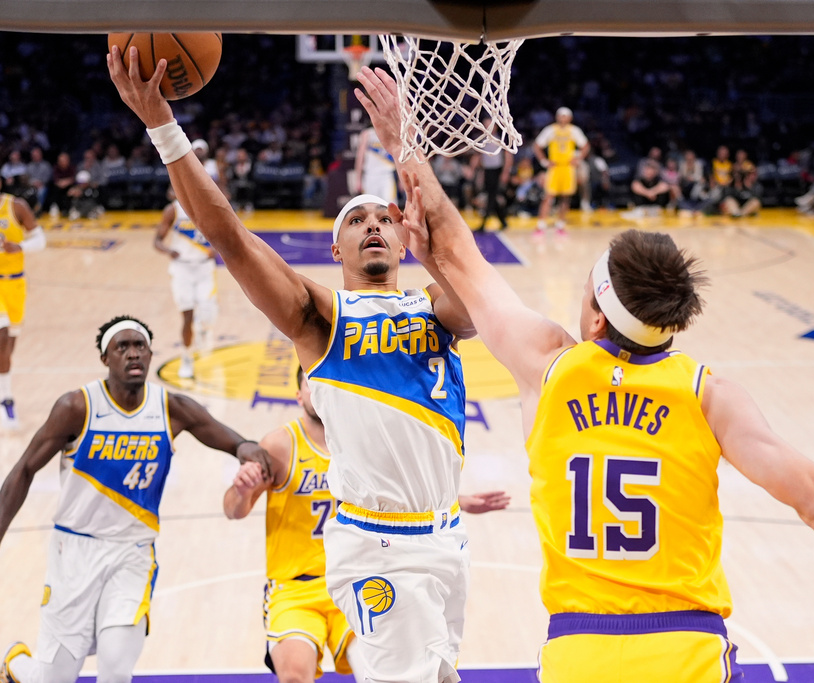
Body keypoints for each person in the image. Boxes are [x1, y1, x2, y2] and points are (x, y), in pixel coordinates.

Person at [354, 66, 814, 682]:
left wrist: (404, 144)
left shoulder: (550, 366)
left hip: (578, 651)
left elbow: (450, 246)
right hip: (685, 649)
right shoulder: (709, 394)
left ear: (599, 320)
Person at [108, 48, 477, 683]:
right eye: (354, 219)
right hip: (381, 547)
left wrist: (405, 154)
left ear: (401, 237)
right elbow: (227, 234)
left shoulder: (436, 310)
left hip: (446, 540)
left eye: (384, 219)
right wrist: (163, 128)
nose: (372, 226)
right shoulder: (321, 318)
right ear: (334, 247)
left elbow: (476, 298)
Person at [0, 315, 271, 683]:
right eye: (122, 347)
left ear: (150, 353)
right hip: (73, 553)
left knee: (115, 670)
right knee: (53, 678)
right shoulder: (76, 407)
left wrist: (248, 449)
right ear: (105, 358)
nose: (133, 354)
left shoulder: (170, 407)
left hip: (132, 552)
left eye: (139, 345)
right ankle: (16, 663)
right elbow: (24, 470)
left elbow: (225, 436)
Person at [224, 367, 510, 683]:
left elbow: (396, 491)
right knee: (294, 676)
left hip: (360, 574)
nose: (317, 389)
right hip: (294, 587)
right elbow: (234, 511)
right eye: (309, 383)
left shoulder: (362, 438)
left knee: (382, 672)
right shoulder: (281, 444)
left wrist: (460, 499)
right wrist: (241, 490)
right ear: (299, 394)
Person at [153, 188, 218, 379]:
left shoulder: (208, 207)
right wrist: (167, 250)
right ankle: (187, 357)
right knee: (187, 316)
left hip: (204, 268)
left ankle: (203, 328)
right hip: (181, 269)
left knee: (207, 314)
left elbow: (224, 234)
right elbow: (156, 240)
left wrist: (216, 247)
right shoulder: (172, 211)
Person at [0, 188, 45, 430]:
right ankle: (6, 400)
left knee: (8, 348)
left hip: (15, 283)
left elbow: (40, 239)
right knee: (2, 335)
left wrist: (19, 247)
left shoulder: (15, 206)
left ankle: (3, 390)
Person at [533, 107, 589, 235]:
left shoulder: (574, 131)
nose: (563, 118)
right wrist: (544, 161)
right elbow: (537, 146)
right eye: (561, 116)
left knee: (565, 197)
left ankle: (560, 224)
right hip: (555, 167)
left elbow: (585, 146)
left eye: (565, 116)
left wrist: (578, 158)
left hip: (568, 168)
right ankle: (541, 225)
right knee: (548, 196)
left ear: (570, 118)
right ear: (557, 117)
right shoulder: (550, 130)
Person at [470, 118, 513, 232]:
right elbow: (479, 157)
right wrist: (476, 170)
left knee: (491, 196)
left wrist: (505, 172)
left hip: (497, 170)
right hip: (487, 171)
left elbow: (508, 157)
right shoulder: (482, 139)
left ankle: (484, 223)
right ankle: (503, 222)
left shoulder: (500, 139)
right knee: (492, 196)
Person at [354, 126, 397, 203]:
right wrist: (358, 179)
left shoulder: (391, 131)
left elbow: (397, 157)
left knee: (390, 207)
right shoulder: (367, 134)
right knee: (370, 207)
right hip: (370, 176)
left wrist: (401, 180)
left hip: (387, 176)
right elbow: (360, 157)